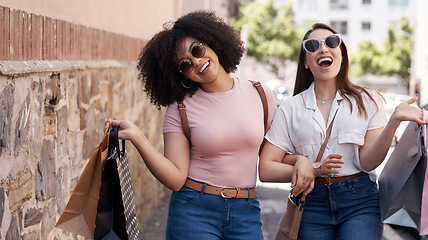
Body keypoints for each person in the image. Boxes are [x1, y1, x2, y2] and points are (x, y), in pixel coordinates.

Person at [104, 11, 277, 240]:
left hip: (247, 211)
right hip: (194, 211)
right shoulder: (180, 109)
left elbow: (273, 159)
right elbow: (175, 179)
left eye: (197, 49)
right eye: (185, 64)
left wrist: (305, 165)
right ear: (182, 74)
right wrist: (138, 137)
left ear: (212, 42)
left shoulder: (261, 94)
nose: (196, 61)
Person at [259, 22, 428, 240]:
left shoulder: (369, 100)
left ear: (341, 53)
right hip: (311, 202)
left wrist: (394, 120)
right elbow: (265, 169)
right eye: (312, 45)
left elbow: (368, 163)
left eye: (331, 42)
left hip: (360, 201)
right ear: (305, 62)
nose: (323, 49)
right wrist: (312, 168)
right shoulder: (291, 109)